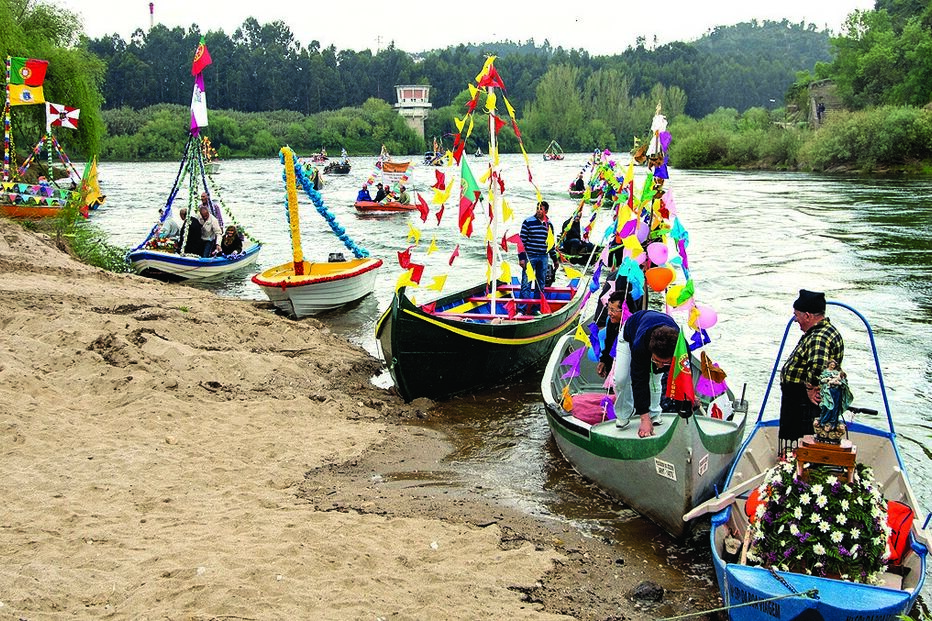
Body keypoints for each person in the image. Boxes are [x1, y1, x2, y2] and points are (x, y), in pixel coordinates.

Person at [778, 289, 845, 453]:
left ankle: (796, 464)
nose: (795, 320)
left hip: (803, 402)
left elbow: (817, 366)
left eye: (797, 315)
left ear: (807, 316)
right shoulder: (827, 330)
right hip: (802, 400)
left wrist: (810, 388)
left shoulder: (818, 337)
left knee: (800, 439)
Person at [611, 309, 679, 438]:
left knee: (655, 378)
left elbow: (684, 376)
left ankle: (654, 413)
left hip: (659, 330)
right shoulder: (640, 346)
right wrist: (643, 419)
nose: (659, 365)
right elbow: (639, 379)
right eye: (657, 361)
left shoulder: (682, 347)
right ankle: (624, 414)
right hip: (630, 333)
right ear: (650, 352)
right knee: (621, 378)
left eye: (665, 363)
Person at [518, 200, 559, 314]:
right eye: (537, 208)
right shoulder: (528, 222)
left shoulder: (549, 225)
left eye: (541, 209)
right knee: (526, 283)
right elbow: (521, 242)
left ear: (546, 211)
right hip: (530, 256)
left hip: (543, 257)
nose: (538, 211)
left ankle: (536, 308)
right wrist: (521, 258)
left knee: (540, 283)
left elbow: (550, 244)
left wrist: (555, 259)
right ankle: (522, 309)